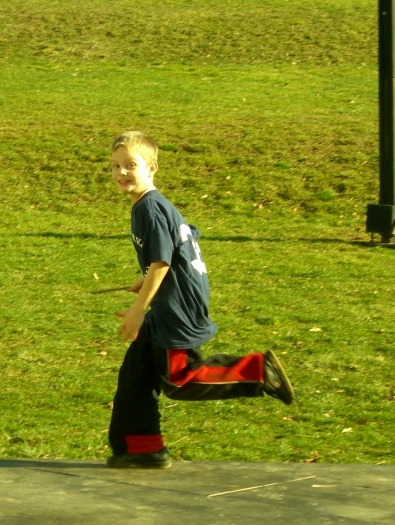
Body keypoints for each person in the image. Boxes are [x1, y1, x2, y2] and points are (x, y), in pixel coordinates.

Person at [107, 130, 294, 470]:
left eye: (130, 165)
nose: (121, 173)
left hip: (176, 309)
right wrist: (146, 281)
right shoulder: (151, 205)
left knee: (181, 380)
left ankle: (258, 371)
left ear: (152, 168)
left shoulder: (148, 209)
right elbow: (176, 249)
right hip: (170, 300)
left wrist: (139, 309)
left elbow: (163, 262)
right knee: (137, 373)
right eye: (116, 166)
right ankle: (142, 448)